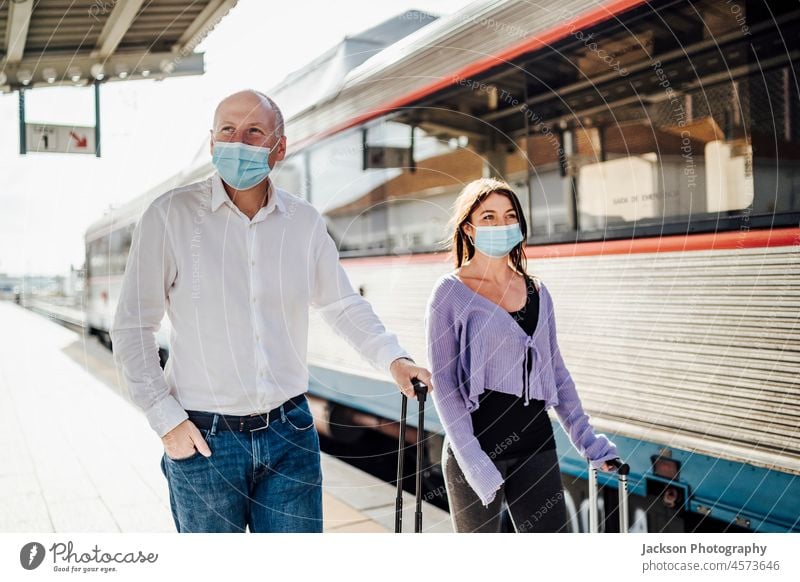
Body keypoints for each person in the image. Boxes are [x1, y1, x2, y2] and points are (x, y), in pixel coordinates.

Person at [110, 89, 432, 533]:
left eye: (254, 131)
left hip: (289, 437)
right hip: (204, 441)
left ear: (279, 148)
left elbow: (341, 304)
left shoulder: (303, 222)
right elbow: (131, 327)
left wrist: (393, 359)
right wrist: (167, 423)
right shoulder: (170, 216)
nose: (238, 141)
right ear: (211, 142)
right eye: (227, 130)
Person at [425, 177, 619, 533]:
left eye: (509, 215)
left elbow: (556, 372)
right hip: (476, 450)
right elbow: (446, 386)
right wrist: (475, 463)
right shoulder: (449, 294)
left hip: (536, 445)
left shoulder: (537, 291)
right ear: (468, 228)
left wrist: (590, 444)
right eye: (488, 217)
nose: (501, 225)